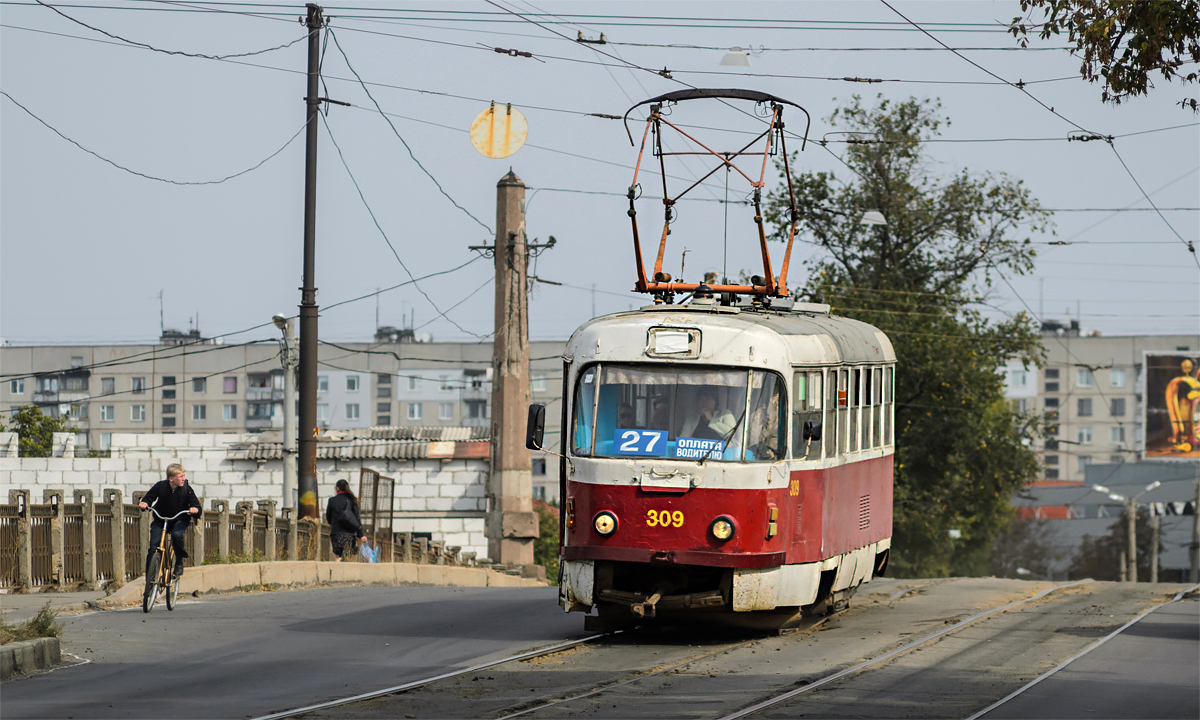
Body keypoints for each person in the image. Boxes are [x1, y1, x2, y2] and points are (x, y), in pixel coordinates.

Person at [138, 463, 201, 578]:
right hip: (161, 519)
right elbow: (149, 498)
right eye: (180, 476)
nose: (184, 479)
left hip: (179, 520)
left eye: (184, 476)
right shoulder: (160, 486)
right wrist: (145, 503)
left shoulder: (187, 489)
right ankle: (149, 581)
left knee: (177, 535)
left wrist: (194, 509)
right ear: (171, 478)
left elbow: (197, 506)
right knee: (153, 548)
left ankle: (179, 562)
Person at [325, 479, 368, 561]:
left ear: (337, 488)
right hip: (350, 535)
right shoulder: (352, 500)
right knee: (347, 557)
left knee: (338, 556)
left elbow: (328, 517)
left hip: (336, 534)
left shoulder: (332, 501)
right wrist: (361, 534)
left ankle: (339, 564)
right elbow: (356, 519)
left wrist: (334, 524)